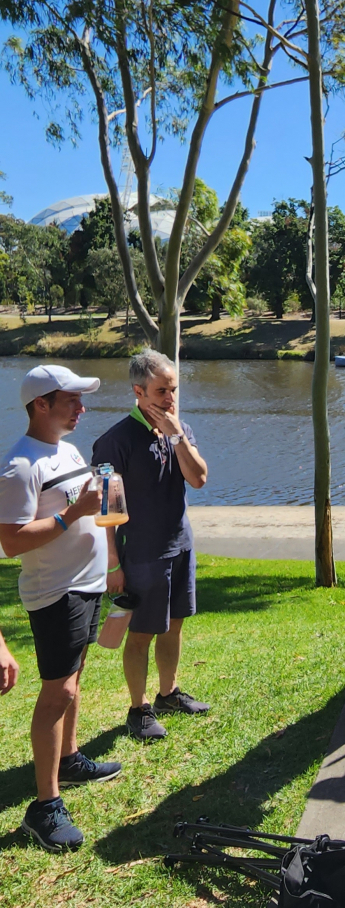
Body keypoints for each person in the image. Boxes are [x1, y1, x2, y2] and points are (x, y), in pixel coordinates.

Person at [0, 365, 122, 853]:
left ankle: (69, 759)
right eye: (70, 399)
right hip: (56, 591)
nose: (81, 407)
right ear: (40, 405)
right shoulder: (20, 465)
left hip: (87, 583)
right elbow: (10, 541)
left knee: (74, 679)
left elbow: (86, 509)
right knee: (57, 692)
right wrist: (71, 513)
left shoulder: (67, 450)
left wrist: (104, 513)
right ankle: (44, 806)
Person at [92, 349, 210, 741]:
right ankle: (138, 708)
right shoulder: (114, 442)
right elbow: (107, 513)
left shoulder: (180, 430)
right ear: (138, 391)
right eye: (161, 390)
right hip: (141, 555)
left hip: (181, 545)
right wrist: (113, 564)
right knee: (141, 633)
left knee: (174, 627)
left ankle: (168, 694)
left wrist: (176, 436)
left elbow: (199, 478)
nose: (170, 398)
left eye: (173, 389)